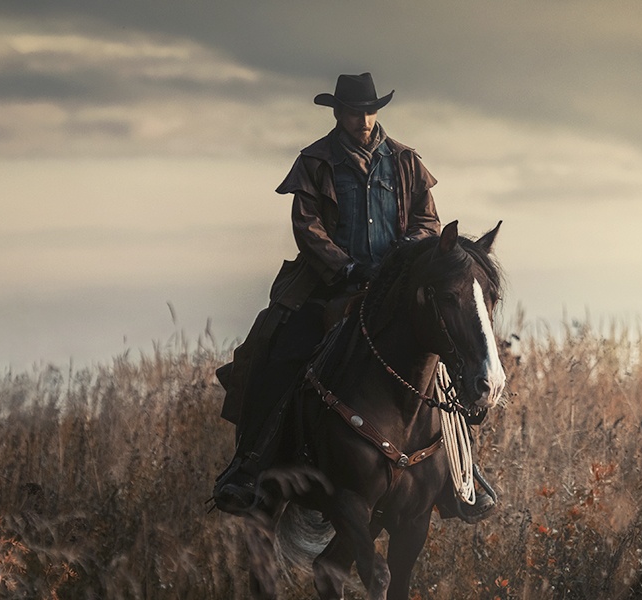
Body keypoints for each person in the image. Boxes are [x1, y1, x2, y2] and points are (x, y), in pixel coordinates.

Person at [212, 73, 496, 522]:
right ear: (338, 113)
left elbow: (426, 220)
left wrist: (404, 257)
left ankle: (462, 475)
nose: (362, 119)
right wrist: (345, 265)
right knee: (277, 352)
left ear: (377, 111)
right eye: (352, 111)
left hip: (395, 289)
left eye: (368, 110)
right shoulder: (315, 161)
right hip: (327, 285)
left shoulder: (405, 160)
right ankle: (250, 465)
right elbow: (307, 226)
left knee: (445, 357)